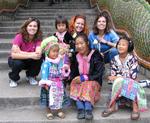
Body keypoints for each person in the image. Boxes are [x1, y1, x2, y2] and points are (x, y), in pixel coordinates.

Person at [101, 35, 147, 120]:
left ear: (128, 47)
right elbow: (112, 76)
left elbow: (132, 76)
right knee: (118, 83)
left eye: (123, 45)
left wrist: (118, 77)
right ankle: (112, 107)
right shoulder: (114, 59)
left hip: (131, 84)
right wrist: (118, 77)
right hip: (118, 85)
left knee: (131, 83)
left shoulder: (133, 59)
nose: (120, 46)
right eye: (119, 44)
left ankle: (135, 107)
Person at [69, 33, 105, 120]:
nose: (79, 46)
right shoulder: (75, 55)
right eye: (77, 44)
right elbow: (73, 72)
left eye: (81, 43)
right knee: (75, 83)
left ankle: (88, 108)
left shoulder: (95, 54)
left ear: (87, 43)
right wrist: (72, 79)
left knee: (88, 85)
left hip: (93, 80)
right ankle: (80, 108)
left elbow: (99, 72)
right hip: (80, 81)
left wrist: (84, 78)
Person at [39, 36, 70, 120]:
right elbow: (44, 74)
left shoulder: (59, 61)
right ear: (47, 52)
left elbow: (61, 70)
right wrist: (45, 83)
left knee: (59, 96)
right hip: (49, 83)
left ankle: (59, 110)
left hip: (58, 83)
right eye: (53, 51)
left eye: (57, 51)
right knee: (49, 98)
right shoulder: (47, 63)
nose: (56, 53)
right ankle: (49, 111)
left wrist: (64, 70)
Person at [8, 17, 43, 87]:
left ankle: (31, 76)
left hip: (28, 60)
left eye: (35, 26)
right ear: (26, 27)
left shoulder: (38, 39)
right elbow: (14, 55)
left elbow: (38, 54)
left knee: (39, 58)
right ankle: (13, 79)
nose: (32, 28)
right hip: (17, 60)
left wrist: (20, 52)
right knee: (17, 63)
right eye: (30, 26)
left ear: (37, 28)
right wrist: (31, 55)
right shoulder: (19, 36)